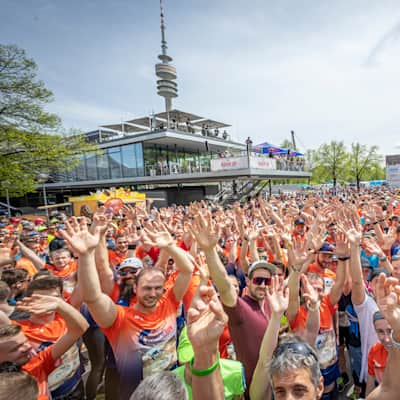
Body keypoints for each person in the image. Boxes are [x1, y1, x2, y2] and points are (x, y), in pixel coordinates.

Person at [60, 217, 194, 399]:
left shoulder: (169, 303)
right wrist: (85, 256)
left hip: (169, 390)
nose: (153, 293)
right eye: (147, 288)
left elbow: (187, 270)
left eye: (157, 289)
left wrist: (170, 246)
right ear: (135, 288)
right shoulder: (119, 317)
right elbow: (92, 297)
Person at [0, 292, 88, 400]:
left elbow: (79, 329)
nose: (27, 347)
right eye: (16, 348)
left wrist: (60, 304)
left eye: (25, 342)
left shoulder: (36, 364)